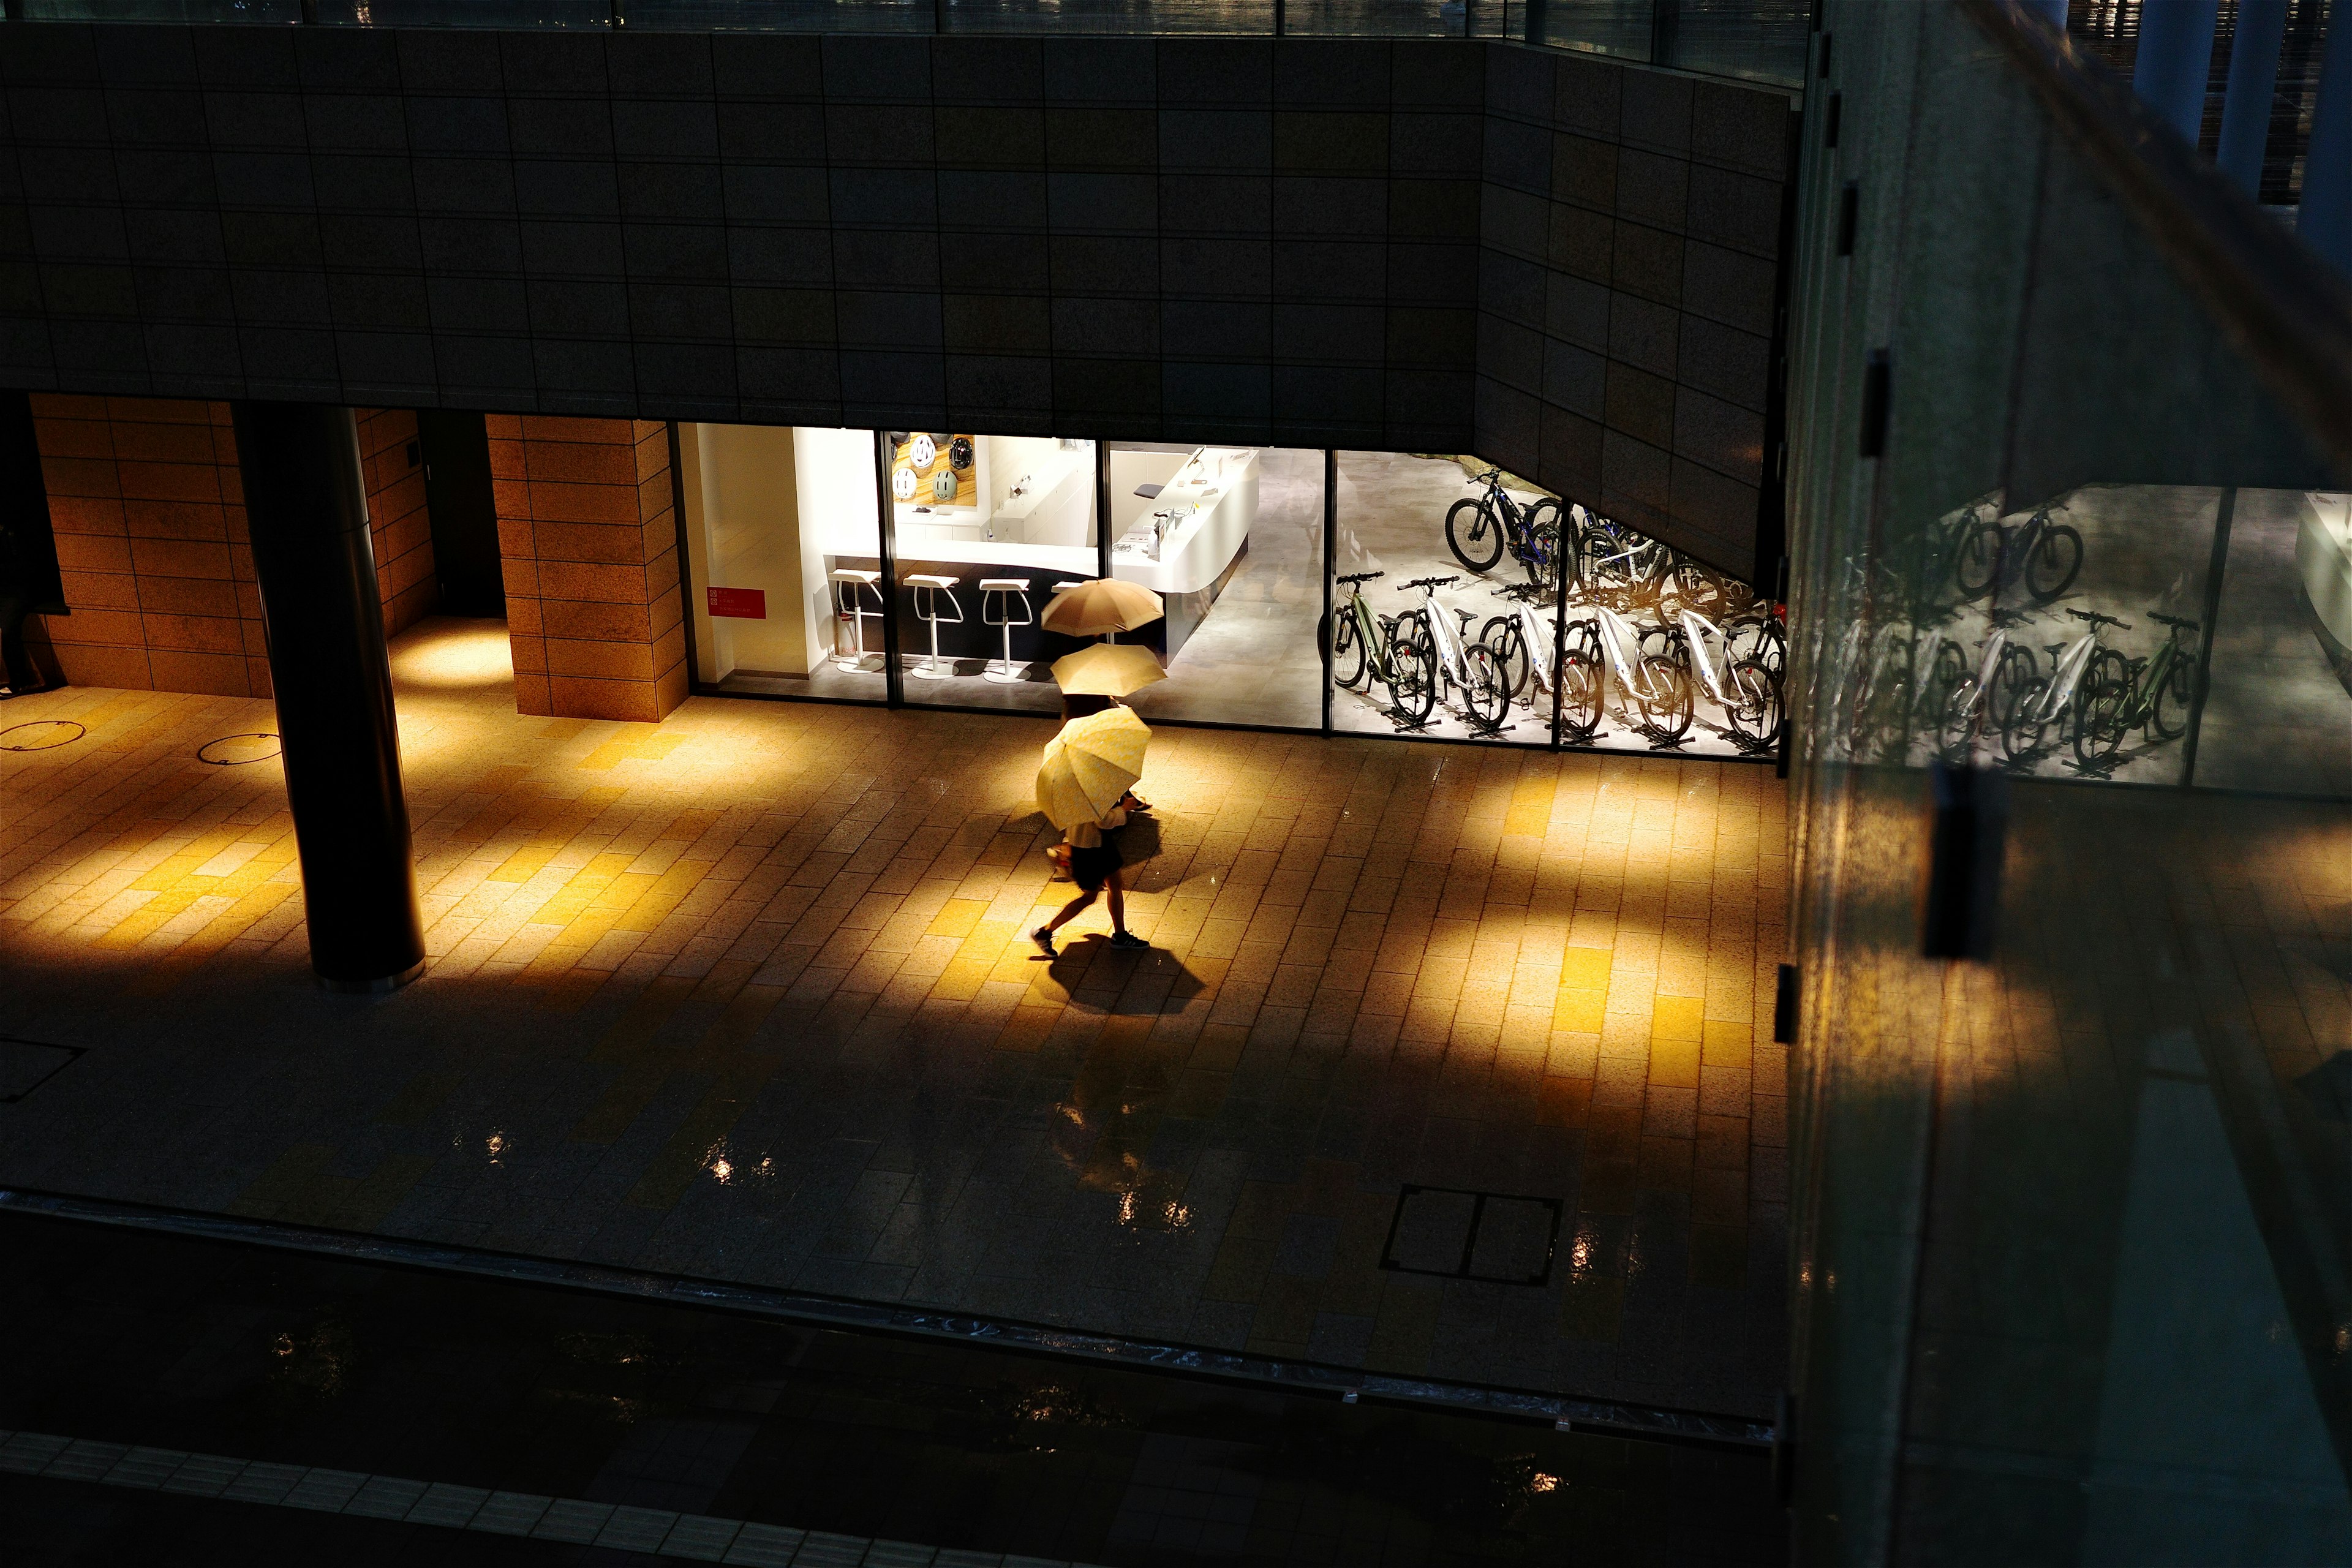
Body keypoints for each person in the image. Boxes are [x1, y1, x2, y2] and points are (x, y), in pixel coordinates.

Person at [1033, 799, 1148, 956]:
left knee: (1115, 885)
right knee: (1089, 897)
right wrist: (1124, 809)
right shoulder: (1091, 791)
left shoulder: (1075, 790)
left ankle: (1120, 935)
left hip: (1096, 845)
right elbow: (1103, 821)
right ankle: (1045, 932)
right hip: (1090, 851)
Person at [0, 511, 43, 700]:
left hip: (14, 589)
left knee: (9, 630)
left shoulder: (13, 531)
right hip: (7, 587)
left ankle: (19, 680)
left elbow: (24, 566)